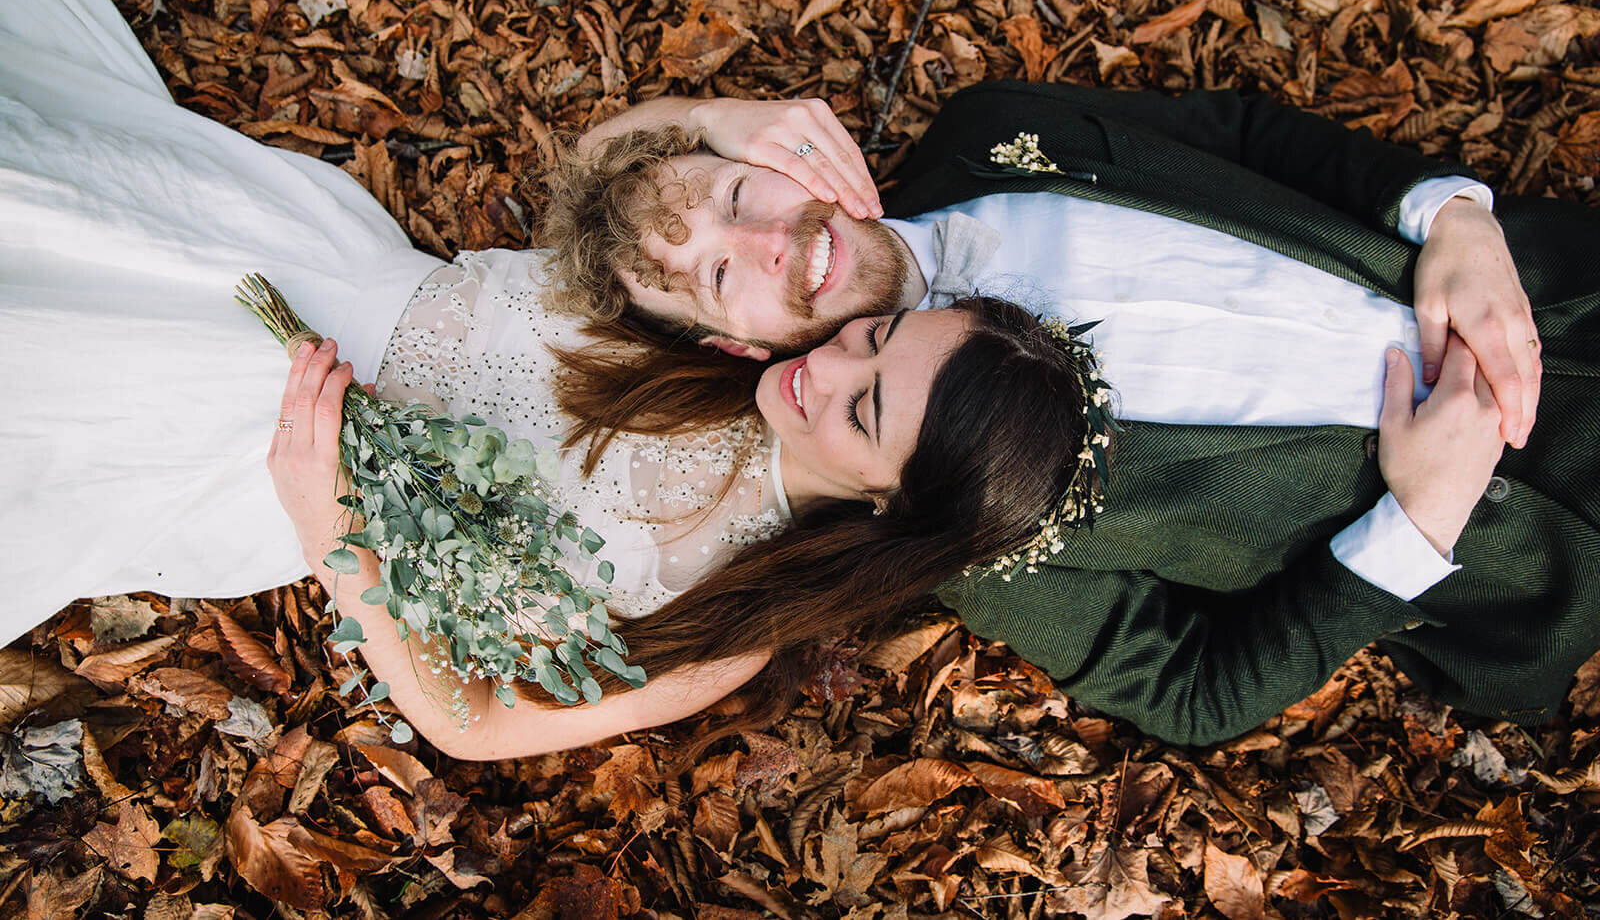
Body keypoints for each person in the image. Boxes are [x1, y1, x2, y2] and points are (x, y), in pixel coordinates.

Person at [0, 0, 1101, 759]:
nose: (831, 365)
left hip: (258, 465)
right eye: (875, 337)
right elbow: (595, 182)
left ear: (883, 505)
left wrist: (330, 524)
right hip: (302, 261)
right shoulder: (737, 328)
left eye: (864, 412)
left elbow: (470, 722)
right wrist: (720, 117)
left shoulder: (728, 627)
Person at [538, 85, 1600, 745]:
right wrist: (1409, 531)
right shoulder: (970, 516)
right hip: (1545, 533)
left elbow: (1243, 131)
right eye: (724, 276)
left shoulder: (986, 131)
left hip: (1563, 284)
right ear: (739, 348)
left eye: (737, 198)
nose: (771, 244)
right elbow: (1191, 691)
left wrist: (1451, 215)